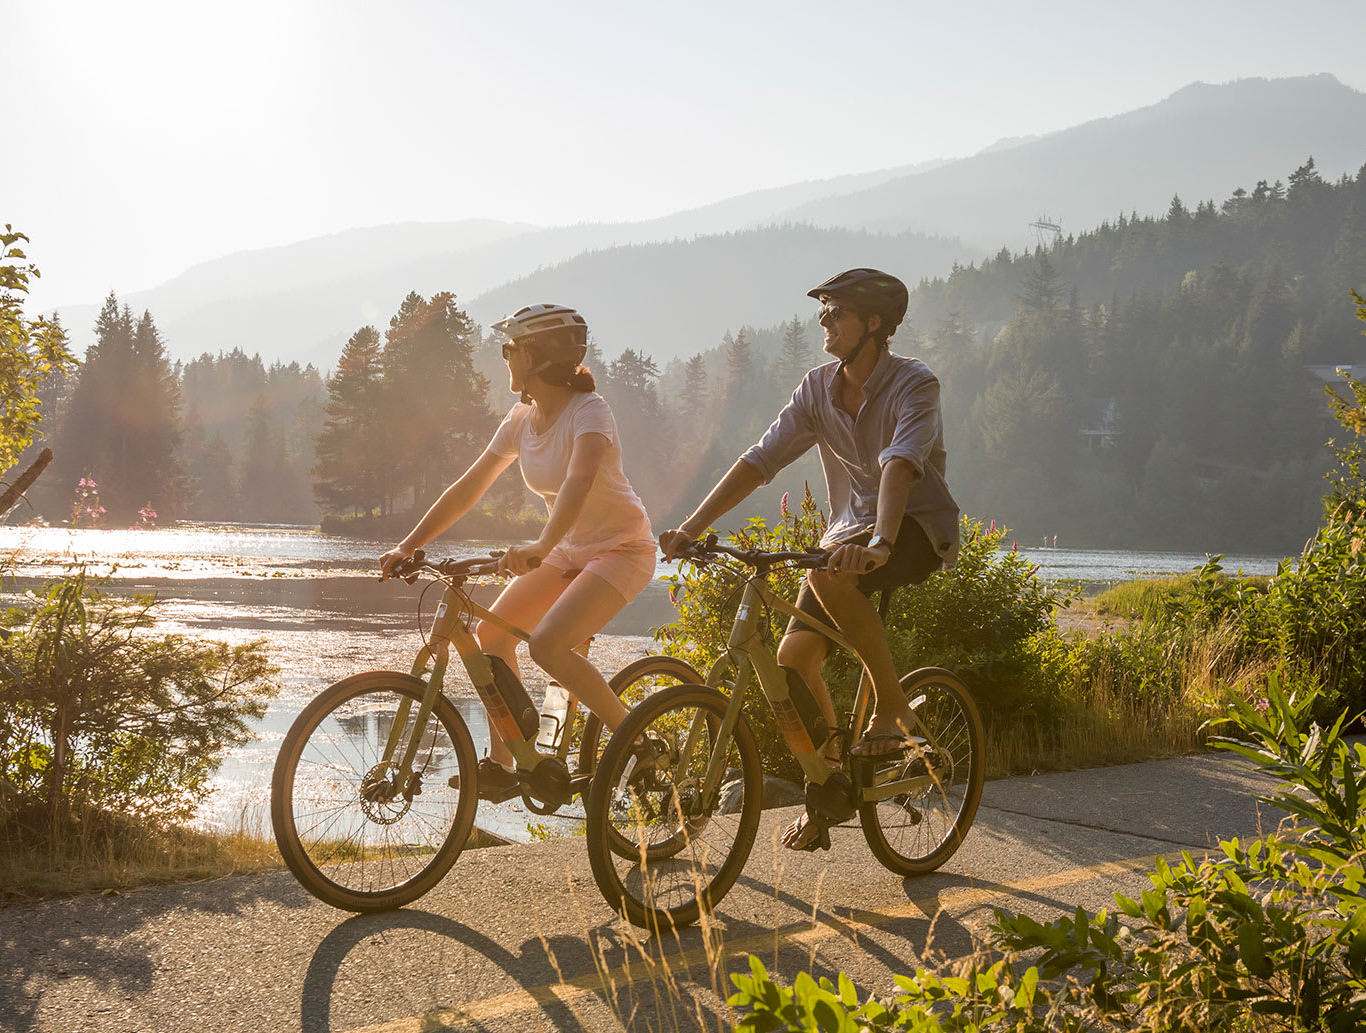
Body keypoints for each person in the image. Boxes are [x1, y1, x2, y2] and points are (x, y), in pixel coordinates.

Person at [659, 268, 961, 851]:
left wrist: (881, 546)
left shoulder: (914, 385)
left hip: (914, 530)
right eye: (822, 309)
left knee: (831, 571)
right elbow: (760, 459)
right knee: (792, 658)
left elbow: (900, 464)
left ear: (874, 324)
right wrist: (693, 527)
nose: (824, 319)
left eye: (836, 311)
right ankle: (826, 786)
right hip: (844, 537)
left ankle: (894, 707)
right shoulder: (816, 388)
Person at [378, 304, 660, 802]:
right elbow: (469, 487)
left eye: (509, 349)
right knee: (490, 636)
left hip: (622, 548)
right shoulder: (522, 419)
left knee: (547, 646)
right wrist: (410, 545)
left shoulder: (590, 413)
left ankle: (638, 740)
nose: (504, 358)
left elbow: (579, 482)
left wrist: (540, 546)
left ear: (534, 356)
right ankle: (503, 764)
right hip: (566, 548)